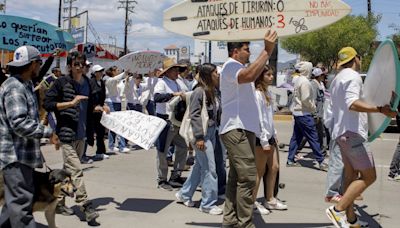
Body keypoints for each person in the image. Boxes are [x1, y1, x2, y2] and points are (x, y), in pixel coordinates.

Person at [325, 47, 396, 228]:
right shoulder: (353, 76)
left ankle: (351, 219)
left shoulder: (336, 79)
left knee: (351, 175)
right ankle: (338, 210)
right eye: (359, 57)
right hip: (353, 133)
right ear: (355, 58)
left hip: (341, 133)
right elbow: (352, 104)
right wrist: (381, 110)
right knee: (369, 176)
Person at [220, 30, 277, 228]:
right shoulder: (230, 66)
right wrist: (267, 51)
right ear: (235, 52)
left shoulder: (237, 66)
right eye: (246, 49)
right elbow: (250, 74)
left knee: (237, 178)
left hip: (244, 130)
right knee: (248, 177)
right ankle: (244, 224)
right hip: (236, 129)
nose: (249, 52)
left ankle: (230, 221)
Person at [44, 51, 105, 223]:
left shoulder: (88, 82)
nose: (80, 67)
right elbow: (47, 104)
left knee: (68, 172)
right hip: (66, 134)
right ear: (69, 66)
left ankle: (58, 203)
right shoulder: (61, 82)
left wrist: (100, 107)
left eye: (82, 64)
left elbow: (91, 105)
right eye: (76, 64)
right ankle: (85, 206)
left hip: (82, 134)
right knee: (77, 170)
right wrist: (70, 103)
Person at [0, 45, 56, 227]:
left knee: (12, 206)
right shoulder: (15, 88)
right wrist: (49, 132)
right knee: (22, 210)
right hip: (16, 158)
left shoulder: (25, 84)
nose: (40, 67)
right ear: (33, 64)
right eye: (39, 63)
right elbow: (19, 123)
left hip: (23, 157)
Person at [175, 63, 223, 215]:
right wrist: (199, 137)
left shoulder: (213, 91)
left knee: (199, 167)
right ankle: (208, 204)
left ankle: (184, 194)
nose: (218, 74)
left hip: (211, 132)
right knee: (210, 169)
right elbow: (195, 115)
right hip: (202, 134)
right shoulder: (199, 91)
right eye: (215, 72)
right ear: (208, 74)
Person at [253, 65, 287, 215]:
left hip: (269, 136)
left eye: (272, 75)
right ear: (260, 76)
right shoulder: (256, 94)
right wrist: (264, 141)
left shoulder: (267, 92)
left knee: (274, 167)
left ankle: (270, 198)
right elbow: (259, 119)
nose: (271, 77)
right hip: (261, 138)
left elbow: (269, 117)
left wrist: (274, 133)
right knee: (258, 171)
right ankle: (252, 201)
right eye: (268, 75)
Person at [286, 61, 328, 171]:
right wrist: (312, 107)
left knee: (296, 137)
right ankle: (321, 161)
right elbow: (305, 99)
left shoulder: (298, 79)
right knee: (313, 137)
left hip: (298, 113)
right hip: (304, 113)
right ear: (307, 70)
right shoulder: (305, 82)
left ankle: (290, 159)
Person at [154, 58, 188, 191]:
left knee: (183, 147)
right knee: (162, 150)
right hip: (165, 120)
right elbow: (156, 98)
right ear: (167, 72)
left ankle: (176, 175)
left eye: (177, 70)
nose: (176, 72)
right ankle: (162, 179)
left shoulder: (177, 83)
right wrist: (172, 94)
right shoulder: (161, 83)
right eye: (174, 70)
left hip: (176, 120)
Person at [104, 66, 130, 153]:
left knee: (114, 125)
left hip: (118, 102)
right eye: (117, 70)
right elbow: (115, 79)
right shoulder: (109, 80)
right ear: (112, 72)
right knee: (117, 124)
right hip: (111, 103)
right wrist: (125, 73)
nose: (119, 71)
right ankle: (122, 146)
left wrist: (126, 82)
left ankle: (111, 145)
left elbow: (123, 91)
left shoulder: (119, 81)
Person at [88, 64, 109, 160]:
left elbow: (102, 97)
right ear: (95, 73)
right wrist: (94, 106)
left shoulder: (102, 82)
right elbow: (89, 97)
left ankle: (100, 151)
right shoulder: (91, 83)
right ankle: (82, 154)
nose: (101, 73)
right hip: (91, 111)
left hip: (99, 111)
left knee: (101, 131)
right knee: (89, 133)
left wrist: (103, 105)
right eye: (99, 71)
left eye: (102, 71)